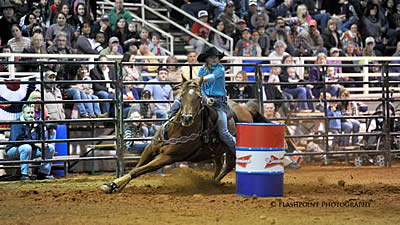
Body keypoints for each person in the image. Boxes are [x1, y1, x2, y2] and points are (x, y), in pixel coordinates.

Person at [169, 46, 236, 153]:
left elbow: (212, 77)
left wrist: (199, 79)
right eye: (211, 57)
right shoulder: (202, 69)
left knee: (223, 131)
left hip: (219, 102)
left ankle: (238, 150)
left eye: (216, 57)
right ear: (207, 59)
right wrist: (205, 98)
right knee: (184, 104)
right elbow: (201, 88)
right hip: (204, 98)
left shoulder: (220, 68)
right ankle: (170, 123)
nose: (215, 59)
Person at [6, 104, 55, 180]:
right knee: (26, 147)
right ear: (23, 113)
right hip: (14, 149)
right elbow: (17, 140)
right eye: (28, 113)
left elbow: (41, 137)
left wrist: (42, 142)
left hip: (32, 149)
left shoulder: (36, 123)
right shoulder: (17, 123)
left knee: (50, 148)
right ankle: (24, 174)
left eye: (32, 113)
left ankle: (43, 173)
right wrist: (35, 143)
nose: (30, 115)